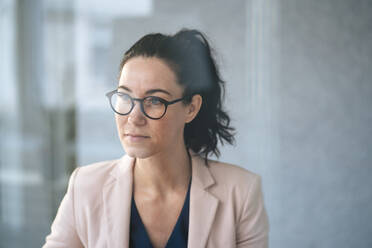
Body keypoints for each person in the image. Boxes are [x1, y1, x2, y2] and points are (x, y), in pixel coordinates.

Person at [43, 28, 269, 248]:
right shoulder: (85, 187)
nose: (134, 117)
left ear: (191, 108)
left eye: (154, 101)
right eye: (124, 96)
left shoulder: (240, 192)